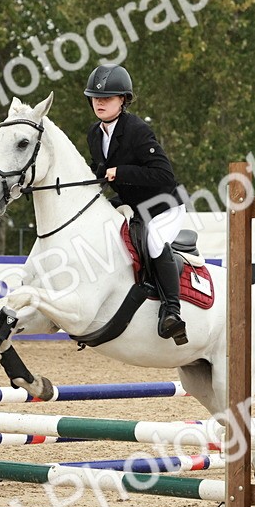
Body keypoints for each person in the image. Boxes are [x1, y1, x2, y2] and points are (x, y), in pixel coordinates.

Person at [84, 63, 188, 344]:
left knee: (154, 241)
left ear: (123, 100)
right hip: (133, 203)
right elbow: (99, 170)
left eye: (107, 97)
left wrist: (122, 172)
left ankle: (172, 311)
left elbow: (164, 176)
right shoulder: (95, 134)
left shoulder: (137, 130)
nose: (100, 102)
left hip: (165, 204)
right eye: (95, 97)